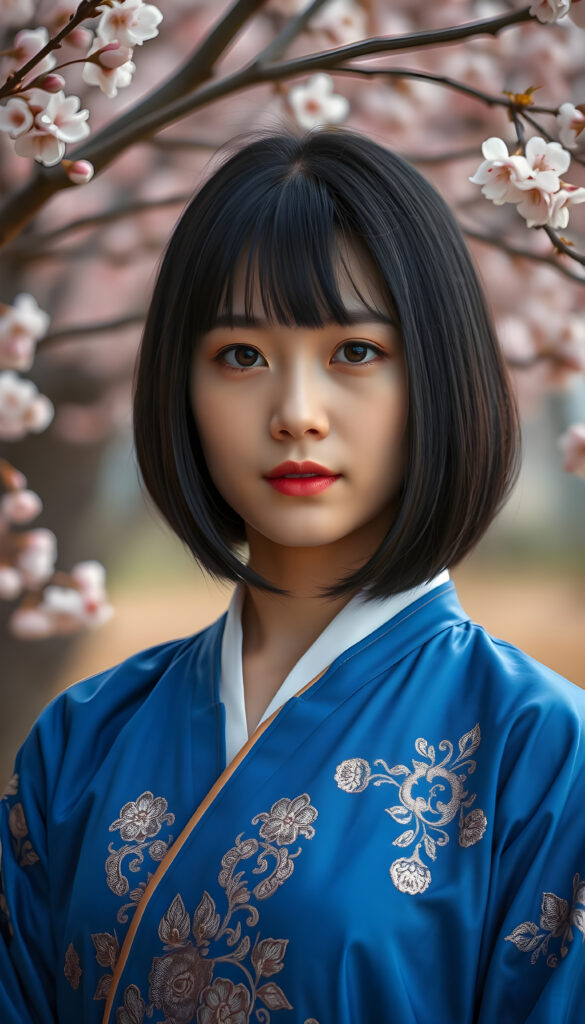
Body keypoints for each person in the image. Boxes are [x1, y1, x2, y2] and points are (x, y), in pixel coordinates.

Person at [1, 128, 584, 1024]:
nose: (296, 414)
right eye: (241, 356)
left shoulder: (539, 749)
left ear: (437, 373)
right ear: (178, 387)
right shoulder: (83, 740)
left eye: (355, 352)